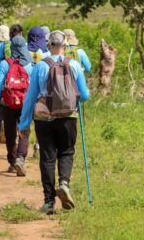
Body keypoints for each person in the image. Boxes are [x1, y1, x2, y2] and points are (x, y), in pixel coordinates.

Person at [19, 30, 91, 215]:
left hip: (44, 118)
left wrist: (24, 124)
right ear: (65, 46)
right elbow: (84, 95)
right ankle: (64, 183)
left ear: (49, 45)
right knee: (66, 152)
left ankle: (49, 201)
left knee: (47, 157)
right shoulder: (74, 65)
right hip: (68, 117)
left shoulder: (40, 66)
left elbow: (31, 97)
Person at [0, 36, 34, 175]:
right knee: (24, 131)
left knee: (10, 133)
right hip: (25, 103)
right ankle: (21, 158)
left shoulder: (4, 64)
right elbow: (34, 87)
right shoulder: (31, 65)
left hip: (7, 103)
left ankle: (12, 162)